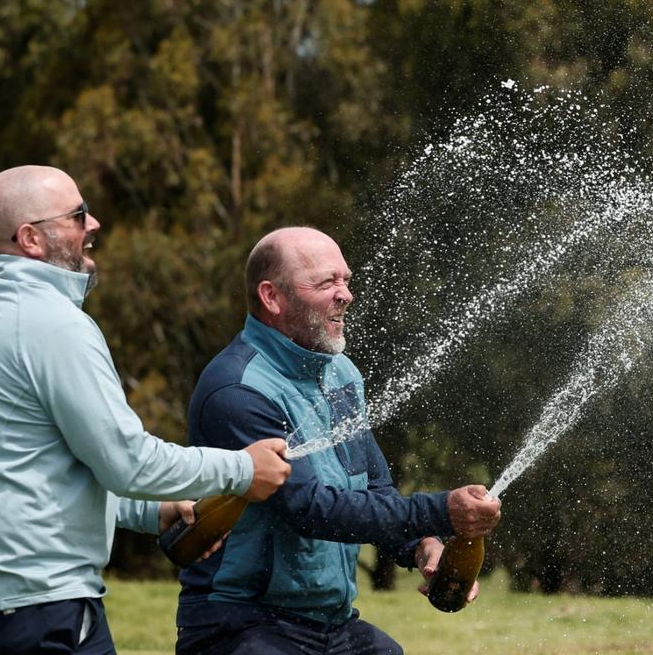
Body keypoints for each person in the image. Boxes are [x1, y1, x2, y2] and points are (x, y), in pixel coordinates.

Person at [0, 165, 294, 655]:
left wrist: (154, 510)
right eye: (78, 216)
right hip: (35, 602)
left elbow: (50, 468)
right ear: (31, 238)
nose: (94, 224)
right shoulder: (52, 325)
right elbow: (129, 461)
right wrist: (242, 468)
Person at [175, 226, 502, 655]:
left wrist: (421, 546)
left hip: (331, 622)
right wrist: (439, 512)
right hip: (242, 623)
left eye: (346, 280)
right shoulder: (237, 390)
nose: (345, 295)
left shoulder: (340, 373)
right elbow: (311, 509)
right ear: (272, 297)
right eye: (327, 282)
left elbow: (373, 486)